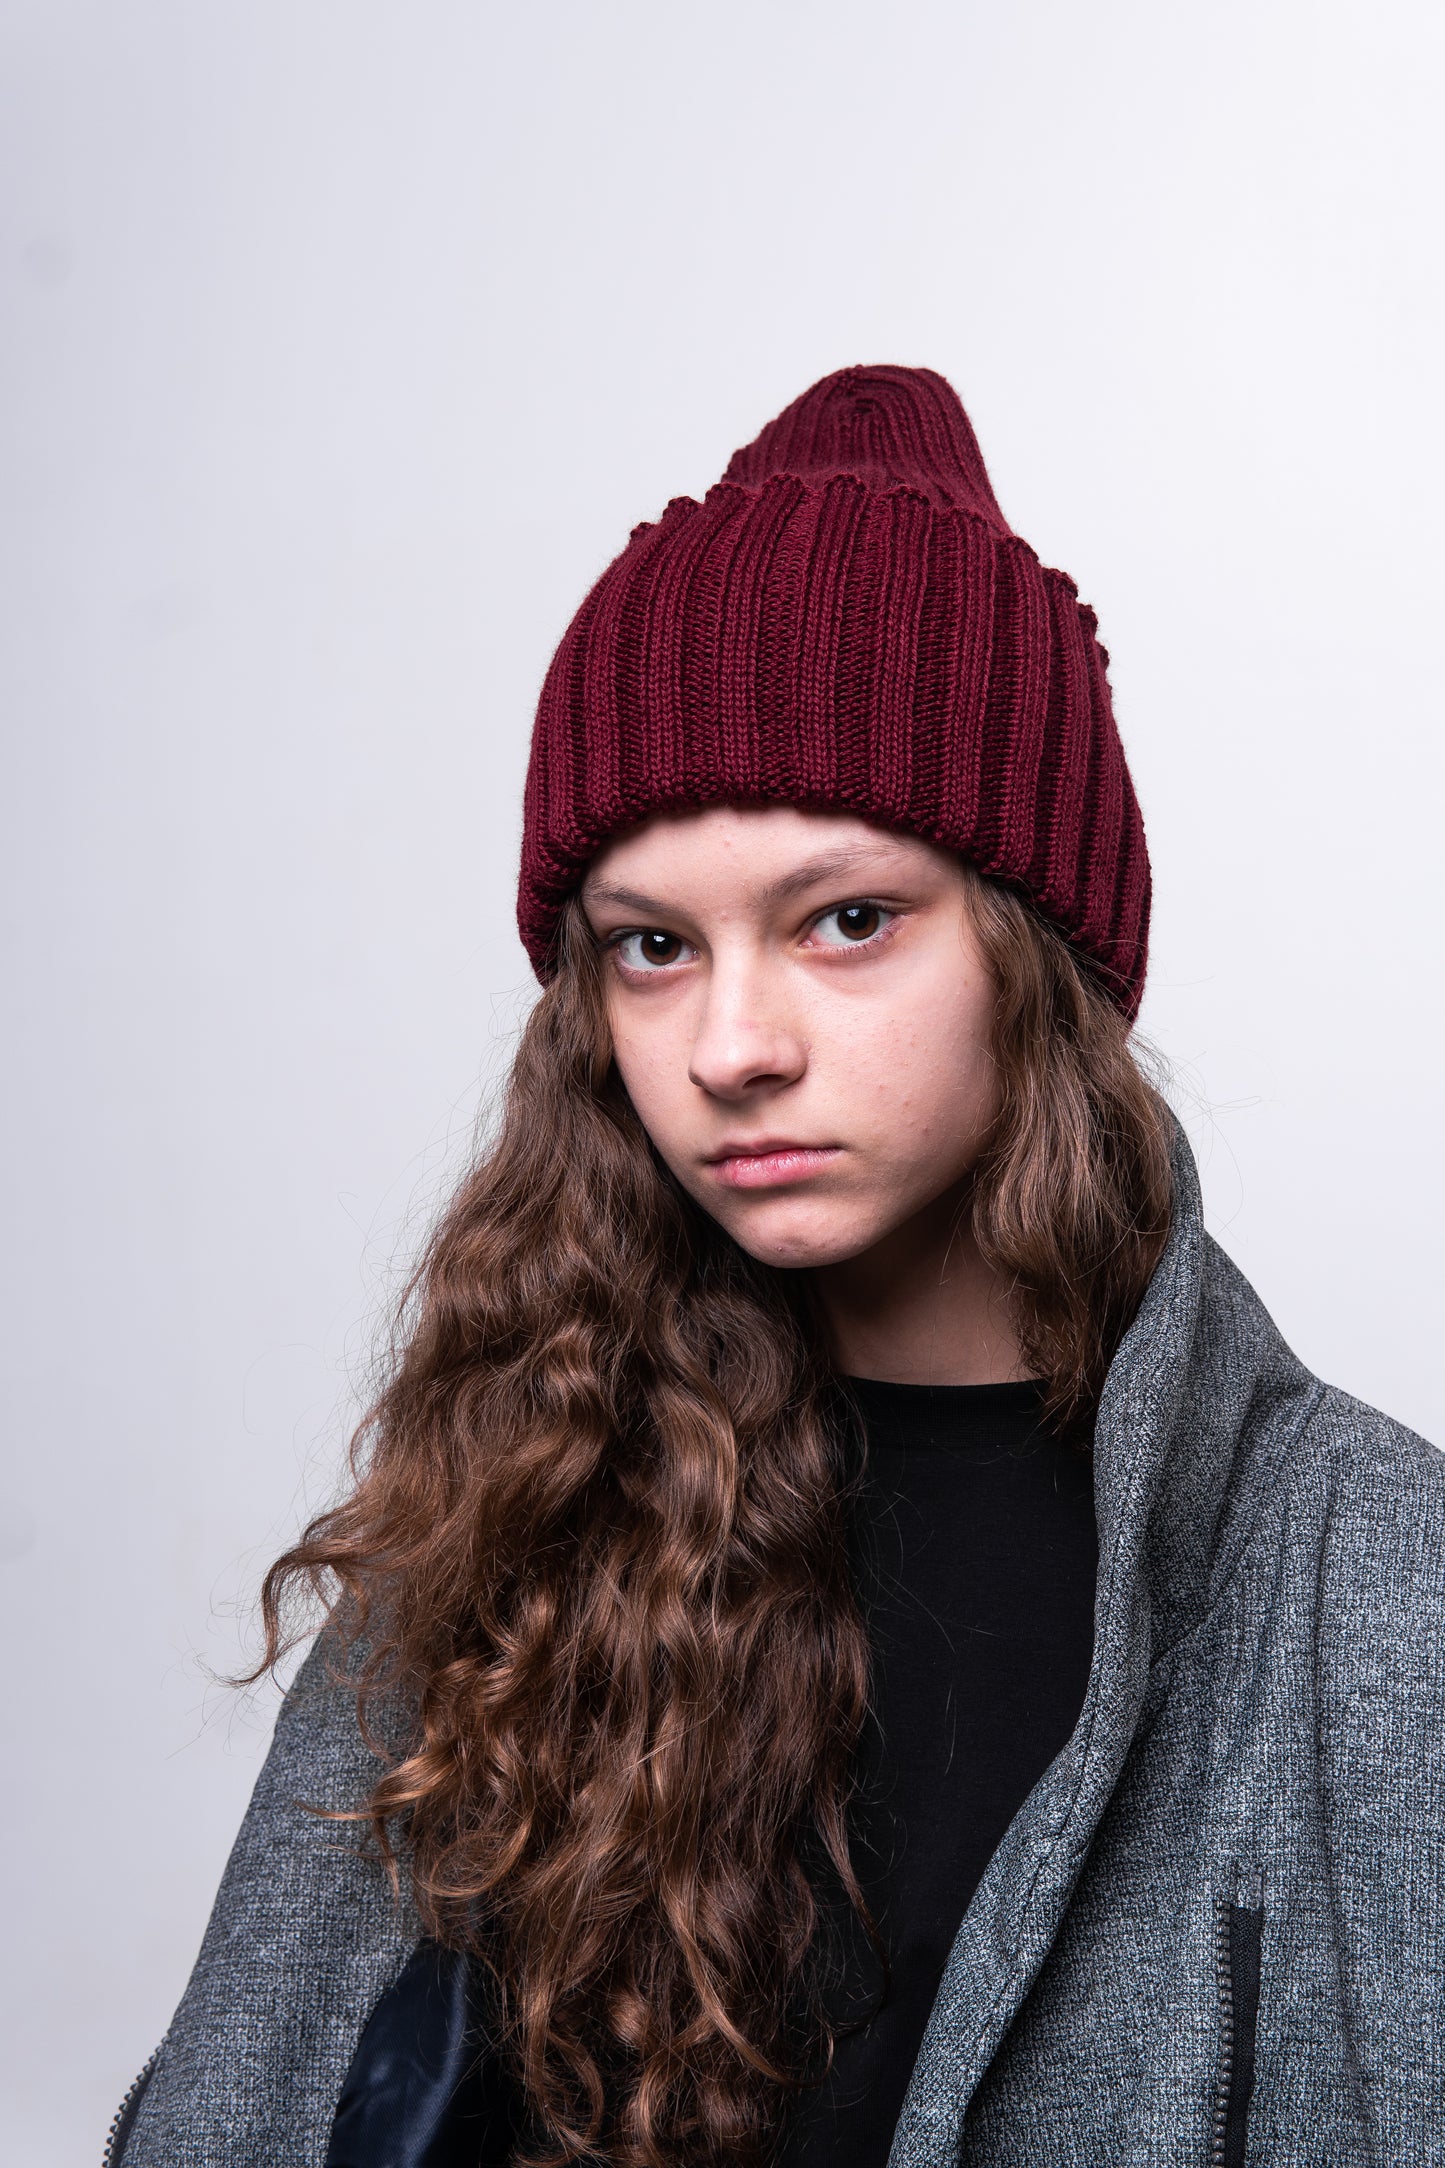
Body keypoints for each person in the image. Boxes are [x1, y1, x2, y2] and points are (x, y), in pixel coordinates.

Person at [109, 367, 1445, 2168]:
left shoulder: (1359, 1575)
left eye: (845, 922)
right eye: (651, 947)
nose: (731, 1044)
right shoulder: (508, 1507)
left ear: (1032, 952)